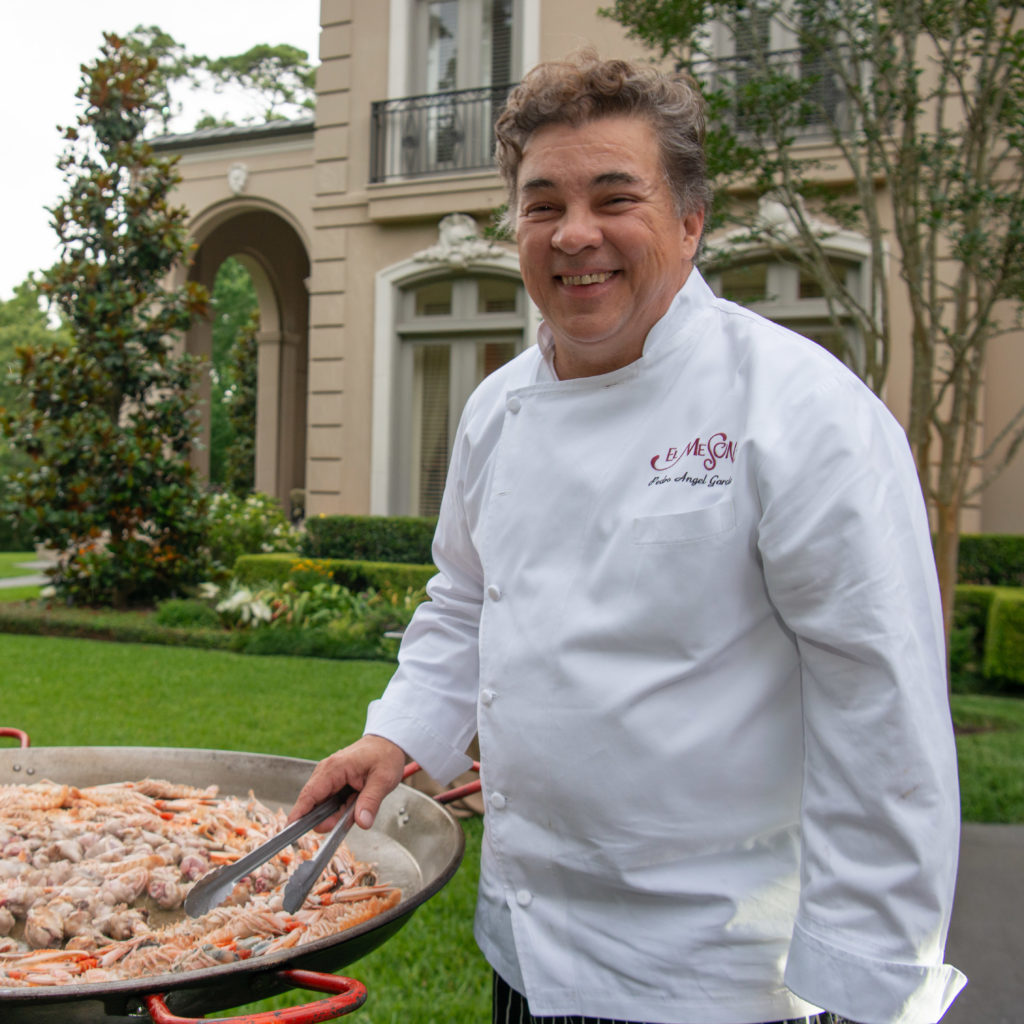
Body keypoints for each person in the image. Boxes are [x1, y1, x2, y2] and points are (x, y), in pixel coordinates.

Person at [290, 52, 966, 1024]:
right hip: (530, 944)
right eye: (540, 203)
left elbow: (883, 711)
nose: (574, 234)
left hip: (721, 975)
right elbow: (465, 599)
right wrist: (399, 734)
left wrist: (867, 984)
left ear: (690, 221)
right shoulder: (495, 409)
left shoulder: (800, 410)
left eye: (615, 197)